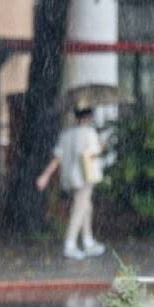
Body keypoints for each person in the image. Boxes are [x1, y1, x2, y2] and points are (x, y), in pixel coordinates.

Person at [35, 101, 107, 260]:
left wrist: (45, 176)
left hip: (69, 177)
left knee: (86, 207)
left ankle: (88, 241)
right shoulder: (89, 133)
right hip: (85, 176)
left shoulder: (66, 134)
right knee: (80, 208)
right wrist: (102, 147)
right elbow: (93, 153)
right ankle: (70, 243)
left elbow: (57, 157)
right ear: (89, 117)